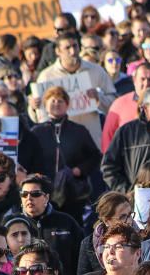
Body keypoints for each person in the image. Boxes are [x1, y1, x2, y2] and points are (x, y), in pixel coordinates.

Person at [32, 33, 117, 149]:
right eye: (67, 48)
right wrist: (33, 107)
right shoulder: (46, 76)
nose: (73, 51)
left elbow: (114, 103)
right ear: (58, 51)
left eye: (75, 46)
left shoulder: (96, 70)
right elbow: (40, 116)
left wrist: (99, 97)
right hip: (61, 145)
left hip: (92, 140)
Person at [30, 86, 102, 221]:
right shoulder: (36, 132)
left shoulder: (79, 131)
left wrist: (79, 170)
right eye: (52, 101)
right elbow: (28, 158)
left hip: (72, 193)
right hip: (43, 191)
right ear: (45, 105)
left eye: (60, 101)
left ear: (67, 105)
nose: (56, 104)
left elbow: (95, 156)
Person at [17, 173, 85, 275]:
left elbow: (82, 258)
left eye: (35, 194)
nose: (29, 198)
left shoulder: (66, 222)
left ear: (46, 197)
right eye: (24, 194)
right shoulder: (15, 224)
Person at [78, 191, 133, 275]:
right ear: (107, 220)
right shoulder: (88, 244)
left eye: (130, 215)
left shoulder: (142, 238)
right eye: (123, 217)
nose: (129, 221)